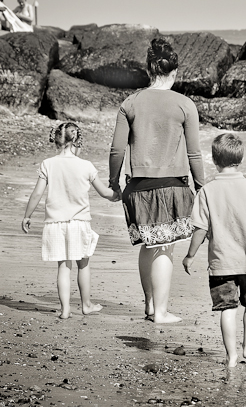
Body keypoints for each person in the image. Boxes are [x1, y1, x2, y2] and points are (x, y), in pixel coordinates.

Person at [109, 37, 205, 324]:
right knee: (165, 246)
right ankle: (161, 312)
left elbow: (116, 150)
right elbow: (194, 153)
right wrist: (201, 187)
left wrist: (114, 182)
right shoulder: (185, 104)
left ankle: (150, 305)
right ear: (174, 72)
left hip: (137, 187)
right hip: (171, 186)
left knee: (148, 244)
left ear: (149, 70)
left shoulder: (130, 103)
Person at [182, 133, 246, 367]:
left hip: (222, 263)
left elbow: (200, 228)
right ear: (241, 159)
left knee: (227, 309)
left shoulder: (207, 191)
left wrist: (190, 255)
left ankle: (231, 356)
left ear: (214, 160)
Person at [22, 122, 115, 319]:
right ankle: (86, 305)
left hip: (55, 224)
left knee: (63, 267)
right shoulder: (86, 166)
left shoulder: (48, 164)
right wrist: (120, 194)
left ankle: (65, 310)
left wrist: (27, 215)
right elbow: (104, 192)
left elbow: (37, 193)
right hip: (79, 223)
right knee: (83, 264)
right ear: (77, 141)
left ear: (57, 140)